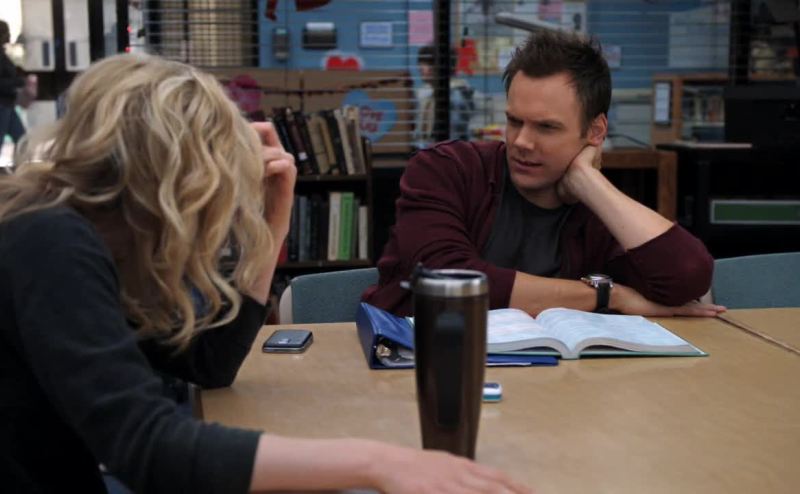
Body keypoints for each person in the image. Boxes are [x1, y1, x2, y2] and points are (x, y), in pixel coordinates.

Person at [0, 54, 531, 493]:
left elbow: (207, 364)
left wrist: (274, 220)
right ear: (167, 175)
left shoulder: (85, 235)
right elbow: (148, 447)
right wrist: (378, 462)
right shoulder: (48, 240)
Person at [364, 31, 725, 318]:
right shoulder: (445, 169)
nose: (521, 141)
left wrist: (589, 183)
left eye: (546, 127)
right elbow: (446, 281)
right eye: (514, 121)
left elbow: (687, 277)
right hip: (419, 366)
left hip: (555, 379)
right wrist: (608, 296)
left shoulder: (595, 212)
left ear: (595, 131)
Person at [414, 44, 475, 144]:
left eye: (428, 64)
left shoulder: (454, 96)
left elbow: (454, 137)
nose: (421, 68)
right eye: (421, 63)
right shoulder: (429, 93)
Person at [0, 20, 30, 144]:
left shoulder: (3, 55)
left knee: (22, 139)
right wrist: (18, 81)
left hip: (7, 105)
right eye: (7, 32)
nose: (10, 35)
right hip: (2, 105)